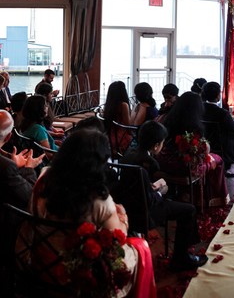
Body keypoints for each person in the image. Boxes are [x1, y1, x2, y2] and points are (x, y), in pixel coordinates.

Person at [24, 129, 156, 297]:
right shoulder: (99, 200)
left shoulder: (44, 178)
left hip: (42, 263)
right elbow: (117, 238)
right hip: (80, 273)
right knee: (141, 247)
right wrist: (122, 216)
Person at [120, 121, 208, 271]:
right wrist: (161, 191)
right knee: (189, 210)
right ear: (156, 145)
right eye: (161, 143)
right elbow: (150, 200)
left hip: (128, 207)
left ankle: (185, 250)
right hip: (145, 213)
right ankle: (181, 258)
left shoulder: (127, 156)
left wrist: (151, 188)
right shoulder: (148, 162)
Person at [158, 92, 229, 207]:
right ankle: (211, 201)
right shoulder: (193, 126)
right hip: (183, 167)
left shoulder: (167, 119)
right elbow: (204, 151)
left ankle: (184, 195)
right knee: (218, 160)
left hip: (164, 163)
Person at [0, 109, 44, 274]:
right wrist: (28, 168)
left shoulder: (7, 166)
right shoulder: (6, 167)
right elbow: (30, 195)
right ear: (9, 137)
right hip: (7, 234)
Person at [103, 81, 133, 158]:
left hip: (110, 137)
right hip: (120, 139)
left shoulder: (108, 105)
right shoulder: (123, 105)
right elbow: (128, 126)